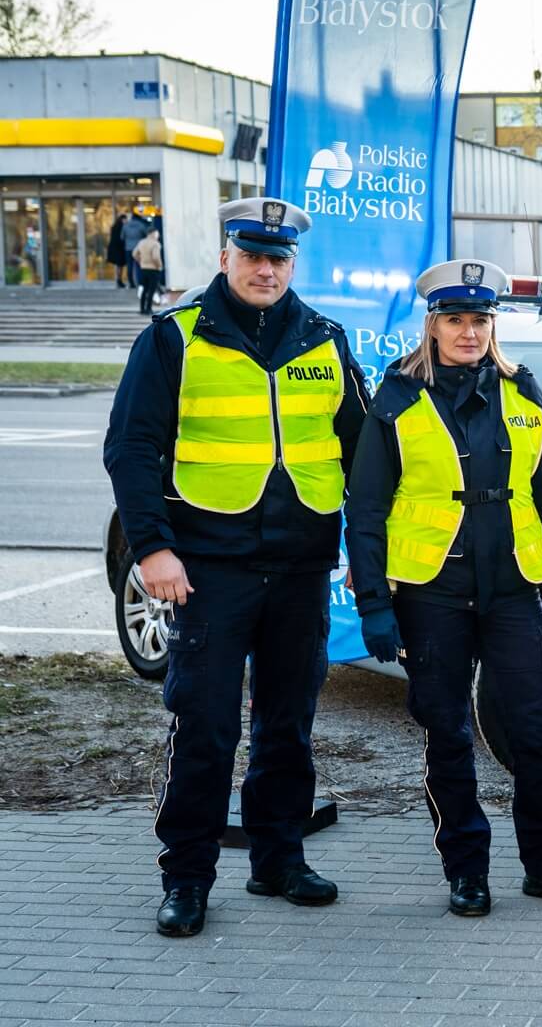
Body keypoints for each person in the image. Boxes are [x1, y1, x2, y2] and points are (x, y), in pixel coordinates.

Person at [102, 197, 371, 938]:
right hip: (209, 568)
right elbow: (130, 448)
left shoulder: (324, 339)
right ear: (226, 258)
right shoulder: (175, 338)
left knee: (289, 723)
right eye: (251, 255)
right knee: (206, 726)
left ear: (293, 264)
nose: (265, 269)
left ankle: (278, 859)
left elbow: (363, 453)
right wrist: (152, 548)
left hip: (301, 568)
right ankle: (187, 877)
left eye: (278, 258)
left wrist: (370, 548)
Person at [344, 259, 542, 919]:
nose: (468, 332)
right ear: (432, 325)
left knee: (537, 730)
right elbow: (366, 509)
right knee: (449, 732)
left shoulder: (523, 391)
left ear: (492, 325)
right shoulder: (397, 397)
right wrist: (374, 604)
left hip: (514, 590)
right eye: (454, 319)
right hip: (432, 593)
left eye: (479, 320)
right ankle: (466, 871)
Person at [133, 228, 164, 316]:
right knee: (151, 290)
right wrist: (159, 265)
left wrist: (140, 261)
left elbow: (134, 254)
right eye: (157, 233)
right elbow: (156, 257)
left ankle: (142, 309)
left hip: (144, 268)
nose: (158, 235)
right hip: (153, 269)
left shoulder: (141, 242)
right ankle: (148, 309)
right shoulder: (155, 244)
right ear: (153, 233)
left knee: (144, 289)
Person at [122, 207, 152, 292]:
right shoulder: (141, 225)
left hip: (128, 248)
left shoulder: (126, 225)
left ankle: (131, 283)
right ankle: (141, 283)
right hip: (139, 248)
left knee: (129, 266)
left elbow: (122, 237)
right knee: (140, 265)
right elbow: (146, 235)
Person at [108, 212, 129, 288]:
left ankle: (119, 280)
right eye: (125, 219)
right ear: (122, 219)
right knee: (120, 265)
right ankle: (119, 280)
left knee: (119, 266)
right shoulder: (121, 227)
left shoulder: (114, 227)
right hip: (119, 249)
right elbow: (121, 238)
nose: (126, 221)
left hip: (115, 248)